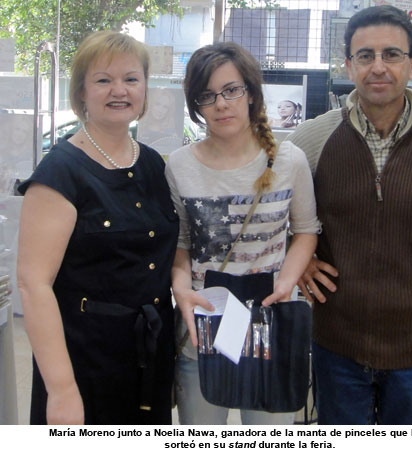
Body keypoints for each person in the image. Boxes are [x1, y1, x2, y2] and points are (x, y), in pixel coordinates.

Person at [287, 5, 412, 425]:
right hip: (336, 347)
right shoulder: (312, 139)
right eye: (365, 55)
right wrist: (296, 254)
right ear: (349, 65)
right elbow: (273, 216)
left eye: (392, 54)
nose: (378, 66)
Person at [16, 30, 179, 425]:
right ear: (82, 92)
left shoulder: (152, 163)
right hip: (85, 361)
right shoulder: (61, 171)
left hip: (150, 353)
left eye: (131, 78)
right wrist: (61, 389)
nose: (119, 90)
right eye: (103, 80)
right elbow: (34, 285)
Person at [165, 41, 320, 425]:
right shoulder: (179, 166)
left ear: (251, 93)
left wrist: (287, 281)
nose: (221, 104)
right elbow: (180, 242)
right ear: (196, 105)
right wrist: (181, 289)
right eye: (207, 95)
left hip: (270, 323)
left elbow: (305, 231)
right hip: (203, 325)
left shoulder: (289, 160)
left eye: (231, 90)